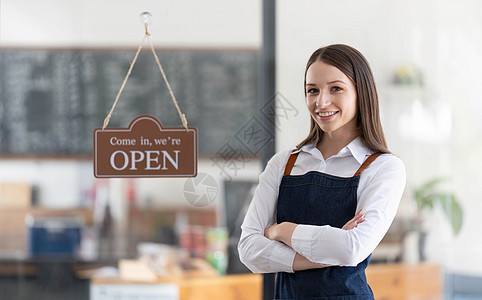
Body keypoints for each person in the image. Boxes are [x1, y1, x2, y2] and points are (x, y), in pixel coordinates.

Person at [238, 44, 406, 300]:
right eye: (312, 90)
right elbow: (249, 250)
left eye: (335, 88)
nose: (321, 101)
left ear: (361, 92)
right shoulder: (283, 164)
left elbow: (352, 248)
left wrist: (281, 231)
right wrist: (324, 254)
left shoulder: (384, 167)